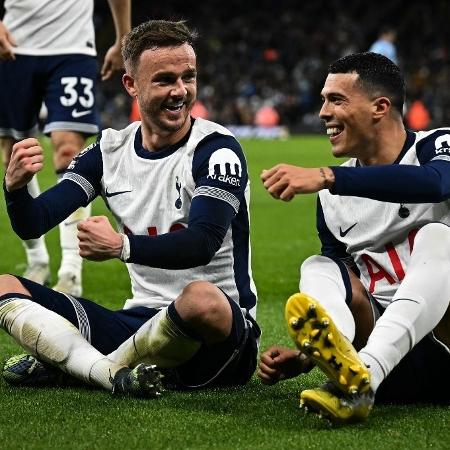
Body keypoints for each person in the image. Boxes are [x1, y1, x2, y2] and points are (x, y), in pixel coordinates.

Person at [0, 19, 260, 397]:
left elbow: (202, 243)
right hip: (140, 321)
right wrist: (16, 189)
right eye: (165, 80)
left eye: (189, 77)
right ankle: (111, 372)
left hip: (220, 336)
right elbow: (34, 223)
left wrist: (121, 247)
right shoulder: (109, 151)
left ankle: (80, 365)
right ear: (130, 84)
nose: (181, 91)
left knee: (200, 298)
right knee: (4, 285)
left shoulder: (216, 150)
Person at [258, 52, 450, 423]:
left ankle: (362, 375)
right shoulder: (331, 199)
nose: (322, 112)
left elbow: (436, 183)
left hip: (445, 343)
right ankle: (347, 366)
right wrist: (303, 359)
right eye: (323, 100)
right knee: (320, 265)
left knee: (439, 236)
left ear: (380, 107)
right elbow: (348, 286)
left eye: (336, 100)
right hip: (395, 370)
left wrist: (330, 176)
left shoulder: (436, 146)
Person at [0, 0, 131, 296]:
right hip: (14, 46)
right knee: (15, 155)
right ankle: (37, 260)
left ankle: (71, 271)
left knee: (69, 150)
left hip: (73, 48)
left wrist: (123, 36)